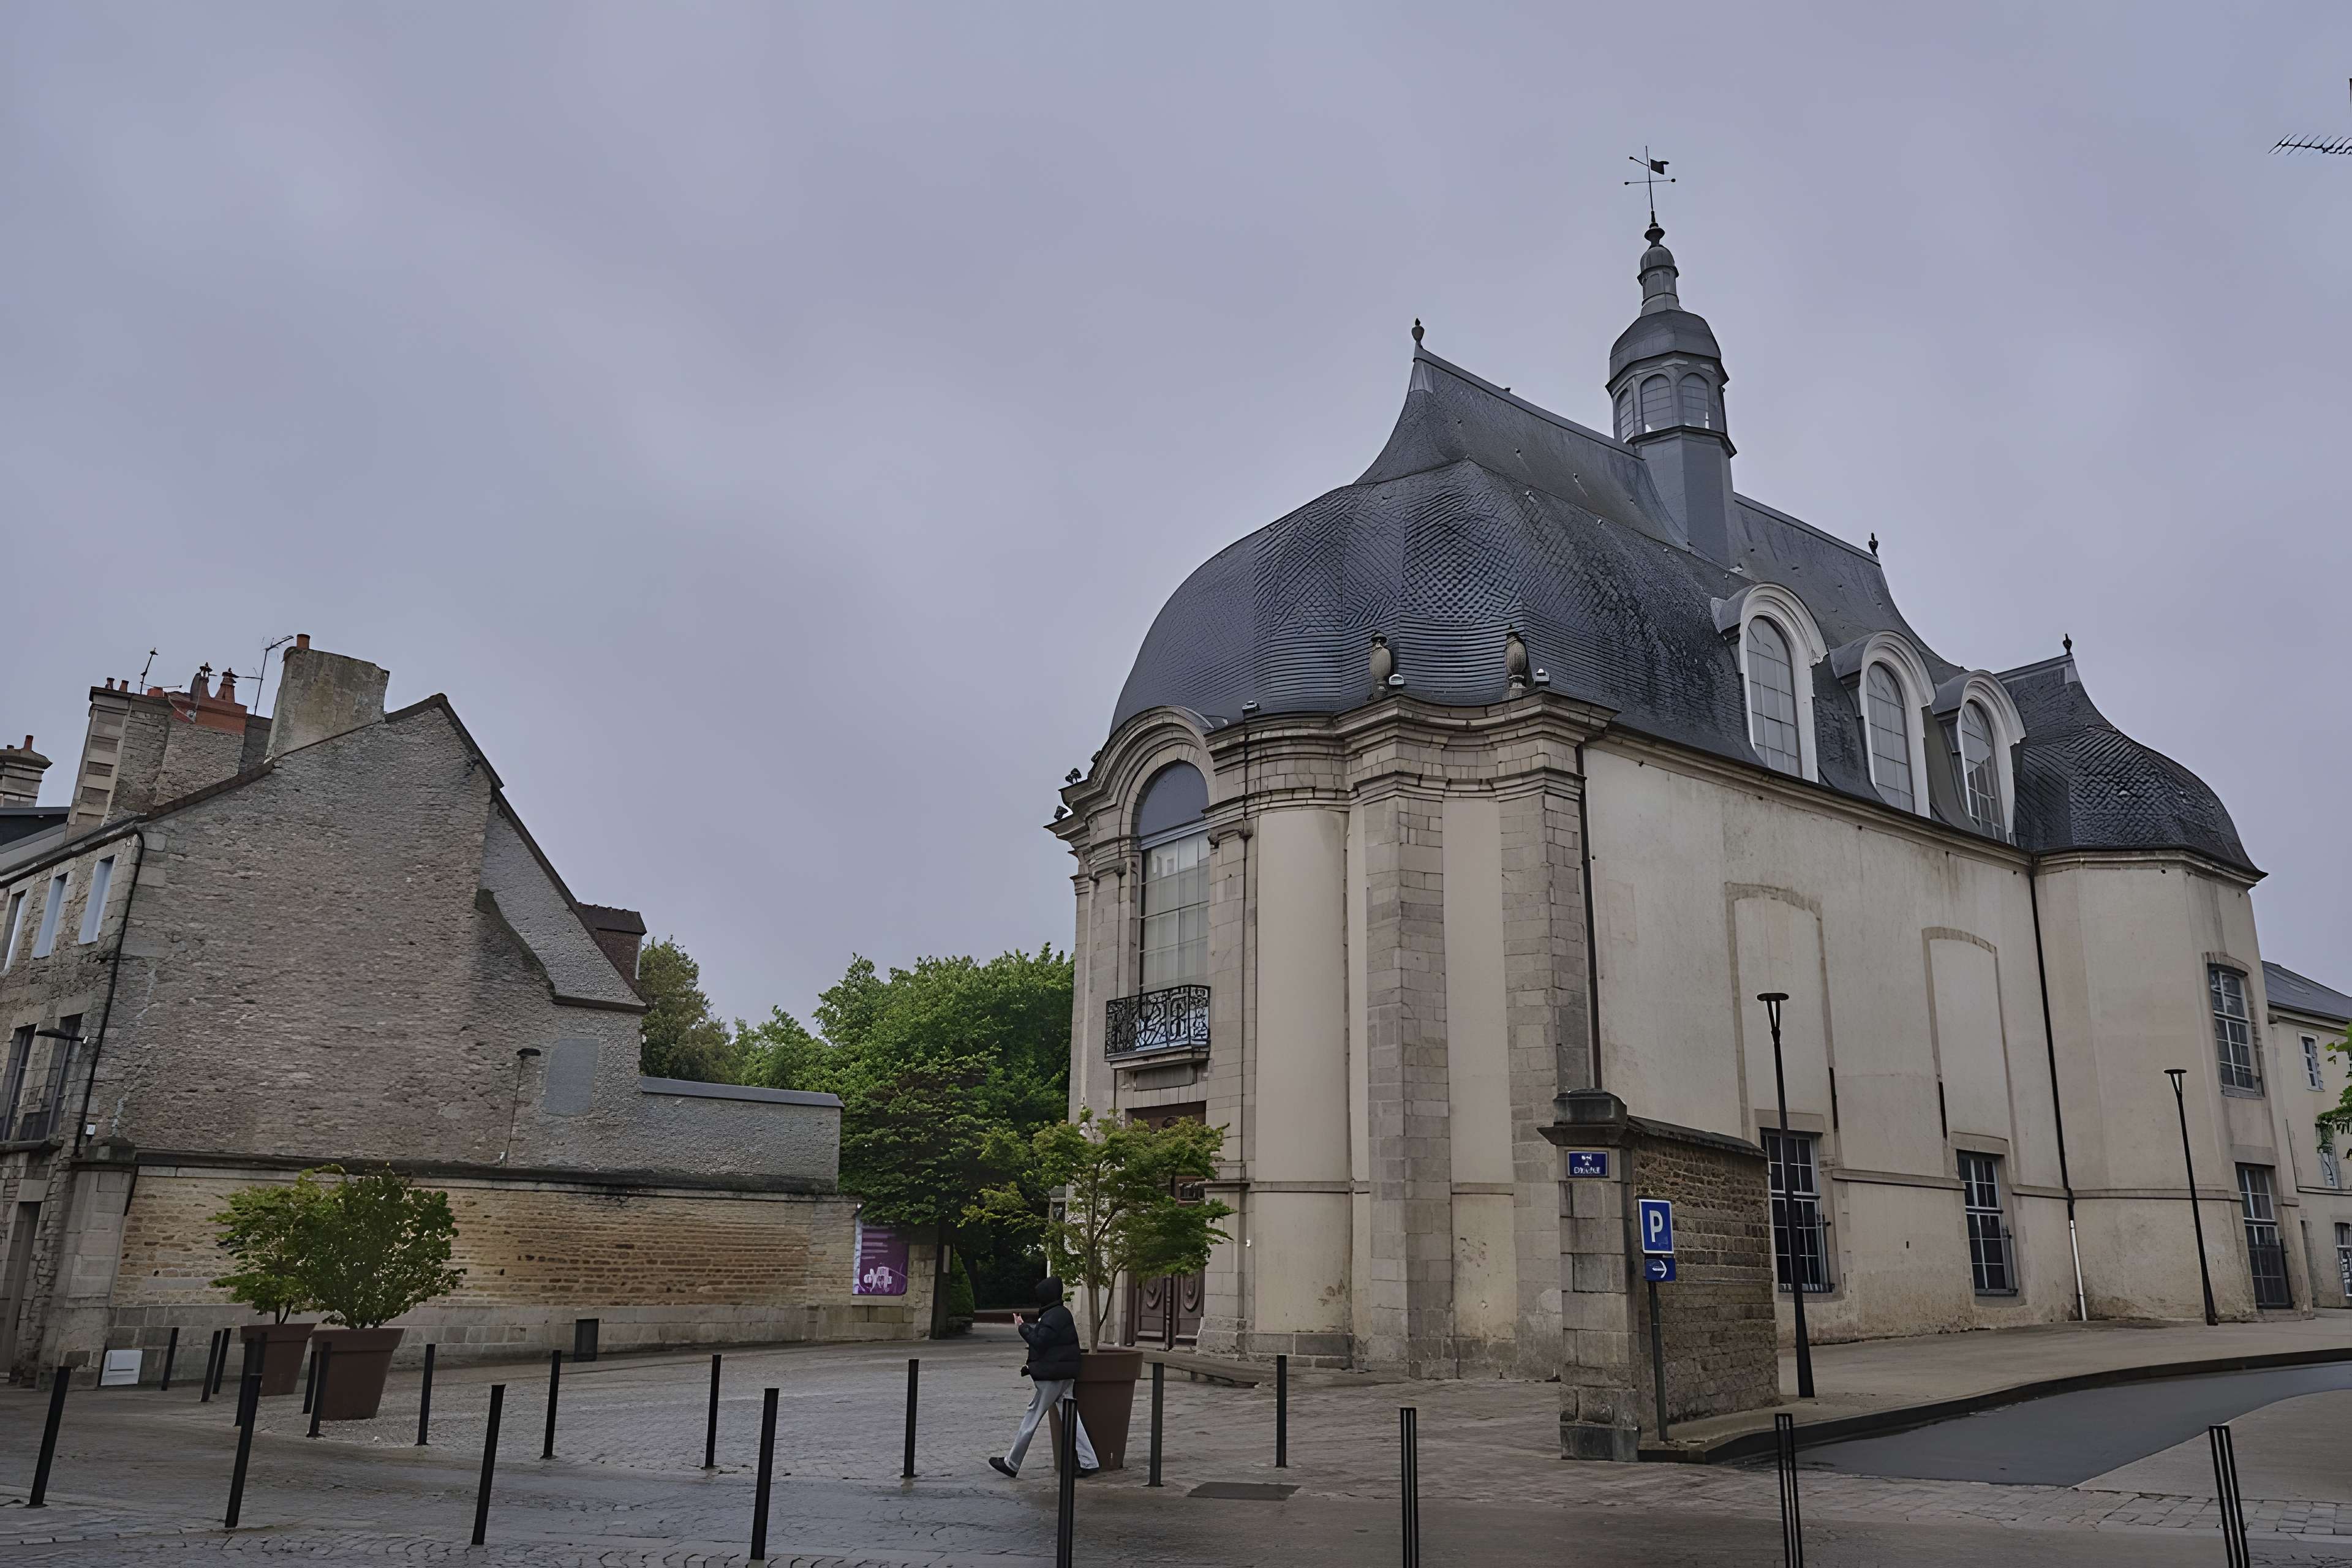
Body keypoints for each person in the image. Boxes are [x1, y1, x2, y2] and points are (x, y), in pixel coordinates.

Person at [990, 1277, 1099, 1478]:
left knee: (1032, 1416)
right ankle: (1089, 1462)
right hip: (1065, 1375)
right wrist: (1026, 1326)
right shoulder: (1060, 1314)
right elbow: (1048, 1340)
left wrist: (1022, 1329)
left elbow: (1040, 1342)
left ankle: (1012, 1463)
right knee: (1071, 1417)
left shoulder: (1052, 1316)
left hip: (1052, 1377)